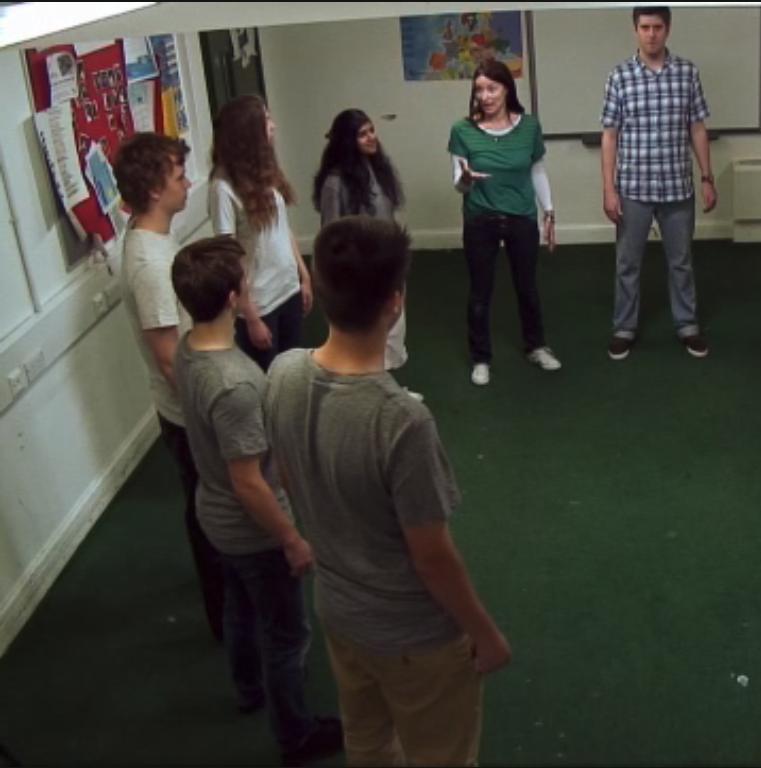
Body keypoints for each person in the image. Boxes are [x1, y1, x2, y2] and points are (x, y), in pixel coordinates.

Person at [264, 217, 511, 766]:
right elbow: (431, 557)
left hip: (339, 614)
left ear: (322, 290)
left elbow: (285, 475)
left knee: (369, 746)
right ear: (394, 302)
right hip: (414, 637)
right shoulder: (402, 421)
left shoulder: (281, 374)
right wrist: (485, 633)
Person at [170, 236, 343, 767]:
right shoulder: (237, 384)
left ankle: (248, 688)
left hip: (214, 516)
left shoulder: (187, 349)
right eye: (244, 282)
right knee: (286, 633)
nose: (249, 288)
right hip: (252, 531)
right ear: (231, 299)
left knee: (240, 610)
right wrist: (291, 539)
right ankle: (294, 733)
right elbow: (250, 481)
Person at [112, 132, 225, 643]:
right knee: (209, 510)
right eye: (180, 177)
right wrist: (212, 418)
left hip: (189, 410)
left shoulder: (153, 240)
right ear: (156, 190)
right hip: (189, 417)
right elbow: (166, 358)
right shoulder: (151, 264)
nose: (188, 184)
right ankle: (225, 611)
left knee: (207, 506)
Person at [601, 5, 717, 361]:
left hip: (676, 188)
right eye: (645, 27)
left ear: (668, 29)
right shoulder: (619, 76)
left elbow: (697, 127)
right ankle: (624, 327)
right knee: (628, 263)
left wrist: (707, 176)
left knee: (680, 261)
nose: (651, 34)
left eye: (657, 27)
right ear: (635, 29)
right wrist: (609, 188)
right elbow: (609, 135)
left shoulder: (686, 73)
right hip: (633, 188)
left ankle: (687, 325)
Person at [449, 60, 561, 387]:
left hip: (521, 218)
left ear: (506, 89)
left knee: (527, 288)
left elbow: (536, 170)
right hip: (480, 220)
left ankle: (536, 346)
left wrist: (549, 211)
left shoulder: (528, 127)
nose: (485, 96)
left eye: (492, 88)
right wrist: (466, 179)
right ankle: (481, 359)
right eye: (479, 90)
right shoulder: (462, 130)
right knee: (480, 293)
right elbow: (458, 181)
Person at [210, 94, 312, 372]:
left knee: (293, 373)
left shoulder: (264, 170)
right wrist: (251, 315)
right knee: (269, 380)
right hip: (261, 302)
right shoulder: (222, 187)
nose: (273, 125)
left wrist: (303, 274)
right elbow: (228, 259)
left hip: (287, 288)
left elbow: (282, 227)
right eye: (266, 119)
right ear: (248, 130)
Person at [314, 108, 412, 380]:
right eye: (362, 134)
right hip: (359, 275)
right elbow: (330, 236)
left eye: (372, 131)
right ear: (347, 141)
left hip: (387, 266)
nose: (371, 138)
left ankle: (389, 390)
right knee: (365, 340)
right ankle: (369, 394)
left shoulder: (378, 170)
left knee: (392, 334)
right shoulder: (335, 183)